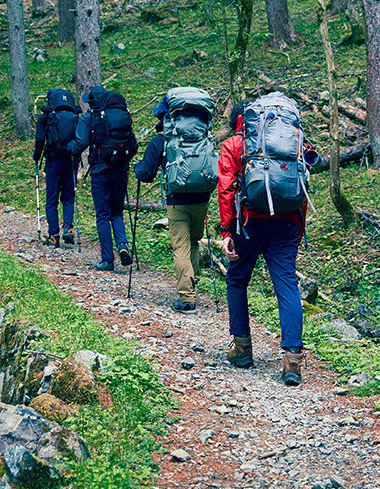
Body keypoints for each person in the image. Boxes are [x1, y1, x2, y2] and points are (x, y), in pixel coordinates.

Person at [216, 101, 306, 387]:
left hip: (249, 221)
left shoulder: (234, 144)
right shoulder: (294, 140)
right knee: (287, 284)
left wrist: (226, 232)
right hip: (287, 221)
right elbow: (302, 184)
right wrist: (298, 229)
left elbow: (226, 188)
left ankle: (242, 349)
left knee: (237, 279)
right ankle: (292, 360)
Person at [134, 88, 216, 314]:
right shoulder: (204, 136)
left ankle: (187, 298)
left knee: (180, 245)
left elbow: (146, 174)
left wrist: (136, 169)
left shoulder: (161, 140)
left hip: (177, 200)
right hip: (202, 198)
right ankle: (192, 282)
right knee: (193, 241)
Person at [68, 86, 138, 272]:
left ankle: (107, 260)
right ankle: (122, 245)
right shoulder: (120, 114)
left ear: (92, 101)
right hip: (121, 169)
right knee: (117, 212)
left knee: (102, 216)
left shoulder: (88, 117)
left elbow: (81, 143)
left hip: (100, 171)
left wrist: (69, 149)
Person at [33, 88, 80, 247]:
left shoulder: (45, 117)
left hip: (53, 162)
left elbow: (40, 139)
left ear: (50, 100)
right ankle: (68, 228)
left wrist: (36, 156)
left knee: (51, 200)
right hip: (71, 161)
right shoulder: (75, 117)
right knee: (68, 197)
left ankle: (53, 235)